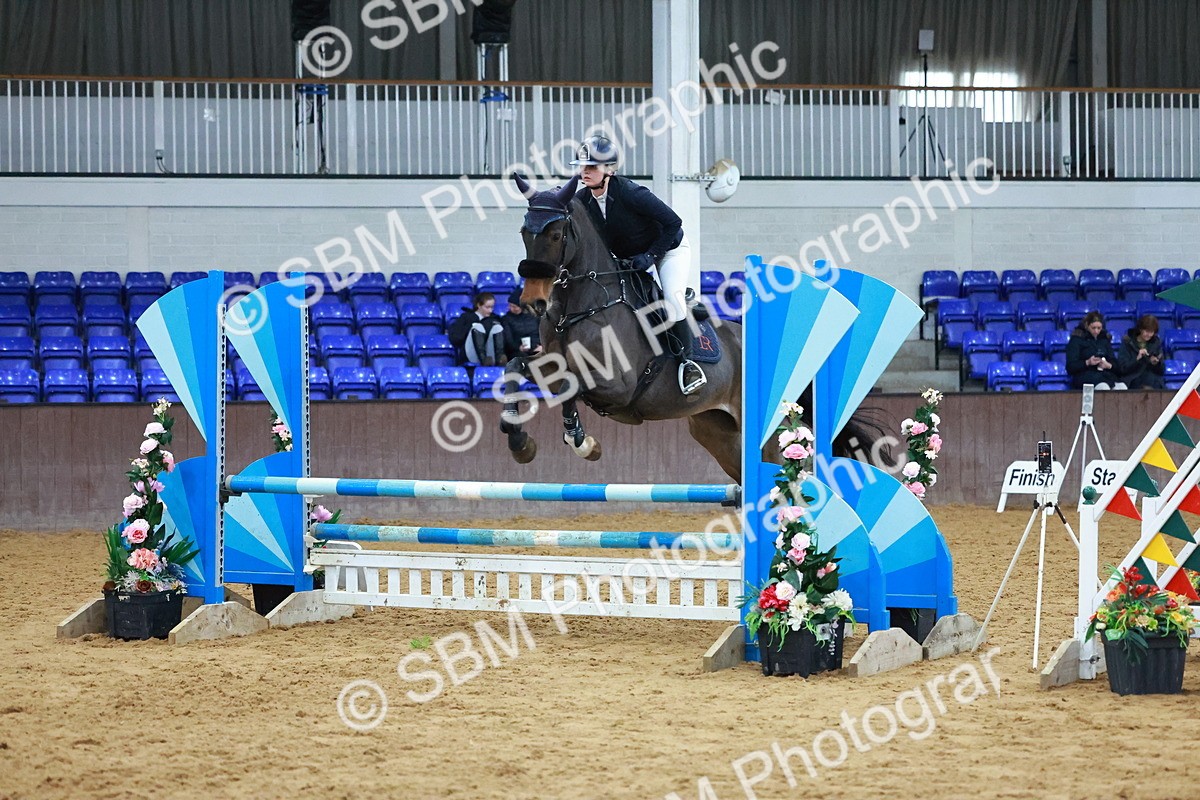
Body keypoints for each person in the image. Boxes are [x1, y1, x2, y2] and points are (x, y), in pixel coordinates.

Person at [570, 134, 706, 395]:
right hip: (629, 259)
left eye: (592, 167)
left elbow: (673, 223)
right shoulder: (582, 200)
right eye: (582, 166)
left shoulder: (632, 193)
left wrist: (652, 256)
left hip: (668, 250)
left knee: (672, 301)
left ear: (609, 170)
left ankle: (687, 363)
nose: (585, 171)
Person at [1065, 311, 1122, 389]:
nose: (1096, 331)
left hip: (1105, 375)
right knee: (1103, 387)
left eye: (1099, 328)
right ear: (1087, 325)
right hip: (1084, 376)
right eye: (1093, 328)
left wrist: (1108, 365)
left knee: (1122, 387)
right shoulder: (1076, 340)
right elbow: (1070, 367)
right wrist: (1087, 362)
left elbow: (1114, 362)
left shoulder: (1104, 340)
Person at [447, 292, 505, 366]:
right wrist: (472, 326)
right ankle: (483, 360)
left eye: (492, 307)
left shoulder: (495, 318)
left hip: (490, 354)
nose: (490, 311)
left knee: (497, 327)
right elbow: (456, 338)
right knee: (478, 327)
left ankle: (499, 358)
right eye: (487, 307)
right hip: (471, 353)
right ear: (479, 305)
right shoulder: (466, 317)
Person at [1116, 314, 1166, 390]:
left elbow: (1162, 371)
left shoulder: (1156, 343)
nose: (1149, 335)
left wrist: (1156, 363)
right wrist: (1137, 360)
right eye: (1146, 331)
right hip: (1133, 380)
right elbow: (1122, 369)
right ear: (1140, 329)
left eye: (1151, 332)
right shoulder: (1128, 343)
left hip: (1152, 381)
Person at [501, 288, 542, 361]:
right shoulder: (506, 319)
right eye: (510, 306)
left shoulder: (535, 316)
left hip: (536, 347)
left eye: (514, 306)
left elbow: (542, 332)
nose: (511, 308)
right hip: (517, 351)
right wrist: (518, 347)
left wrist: (541, 346)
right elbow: (508, 339)